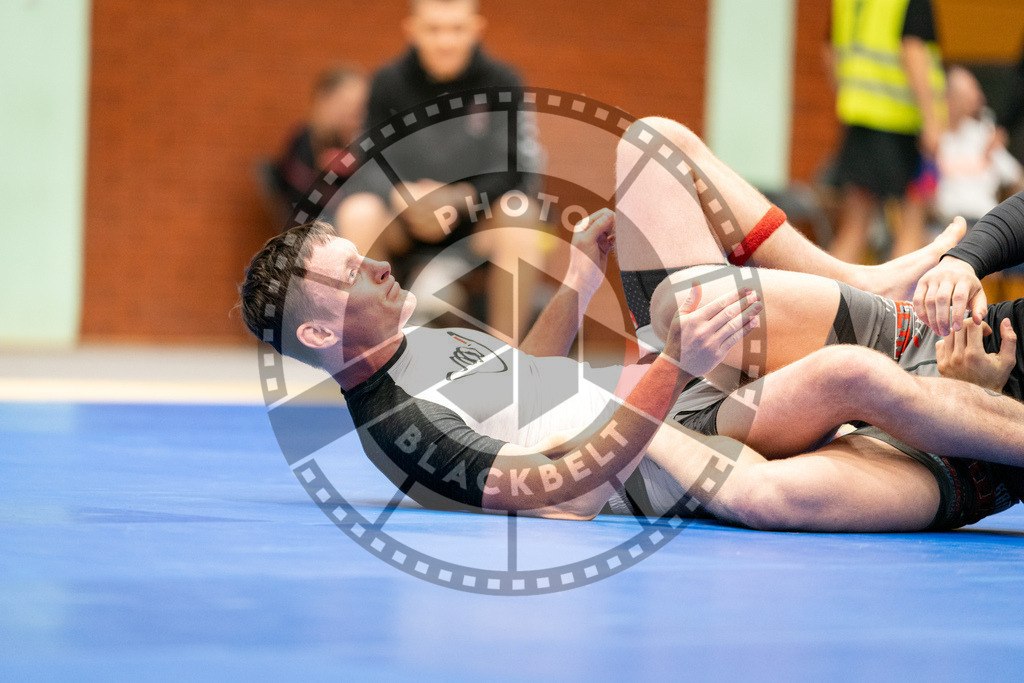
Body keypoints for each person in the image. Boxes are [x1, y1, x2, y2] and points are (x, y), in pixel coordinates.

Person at [239, 115, 1024, 532]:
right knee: (846, 375)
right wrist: (674, 366)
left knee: (655, 142)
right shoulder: (403, 431)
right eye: (354, 273)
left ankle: (862, 281)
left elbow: (525, 374)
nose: (379, 265)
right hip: (663, 451)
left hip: (665, 397)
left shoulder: (416, 339)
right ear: (319, 333)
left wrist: (580, 281)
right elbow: (562, 493)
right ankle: (958, 399)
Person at [335, 0, 544, 342]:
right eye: (434, 29)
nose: (446, 41)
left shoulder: (502, 80)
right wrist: (402, 196)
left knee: (521, 215)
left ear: (476, 29)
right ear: (412, 30)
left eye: (457, 29)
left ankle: (508, 357)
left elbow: (512, 167)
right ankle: (375, 351)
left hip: (475, 218)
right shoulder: (387, 82)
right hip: (406, 217)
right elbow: (368, 159)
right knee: (357, 212)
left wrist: (458, 197)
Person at [828, 0, 947, 262]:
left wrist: (848, 99)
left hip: (858, 119)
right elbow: (912, 49)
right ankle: (902, 292)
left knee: (854, 228)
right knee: (912, 224)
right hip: (902, 124)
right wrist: (931, 120)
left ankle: (823, 290)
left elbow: (831, 51)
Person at [272, 65, 368, 217]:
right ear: (326, 101)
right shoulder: (304, 140)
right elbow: (297, 195)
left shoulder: (358, 142)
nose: (355, 115)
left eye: (360, 108)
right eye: (347, 104)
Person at [936, 66, 1024, 225]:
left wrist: (1012, 220)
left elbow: (1017, 179)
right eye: (963, 95)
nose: (977, 97)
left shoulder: (984, 136)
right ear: (947, 97)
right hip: (941, 224)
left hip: (984, 223)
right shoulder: (933, 139)